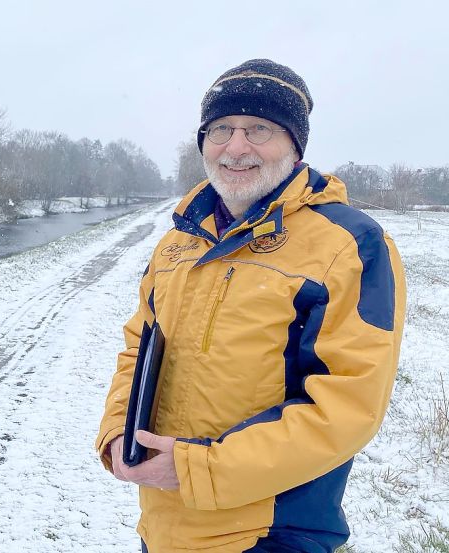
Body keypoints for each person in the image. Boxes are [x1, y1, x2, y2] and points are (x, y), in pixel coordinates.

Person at [95, 59, 406, 553]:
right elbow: (139, 348)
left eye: (258, 128)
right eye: (221, 129)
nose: (236, 147)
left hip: (269, 533)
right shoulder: (180, 242)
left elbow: (348, 405)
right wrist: (118, 429)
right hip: (165, 523)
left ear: (294, 144)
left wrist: (200, 468)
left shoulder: (349, 244)